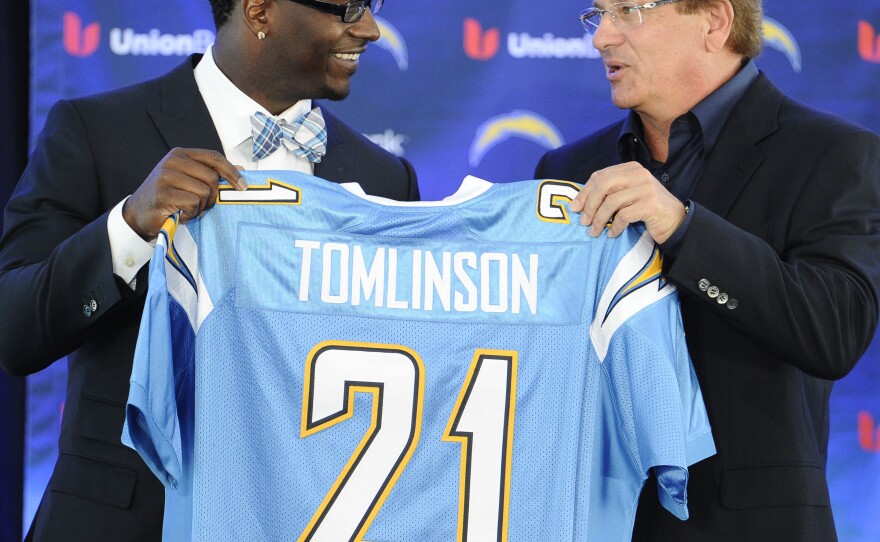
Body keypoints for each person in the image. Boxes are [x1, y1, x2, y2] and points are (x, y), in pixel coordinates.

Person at [0, 0, 418, 539]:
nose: (371, 30)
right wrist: (131, 226)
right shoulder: (96, 129)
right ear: (260, 11)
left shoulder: (387, 180)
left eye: (373, 6)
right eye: (348, 8)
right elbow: (14, 329)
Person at [535, 0, 880, 540]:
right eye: (596, 14)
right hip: (595, 522)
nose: (601, 36)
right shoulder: (566, 171)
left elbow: (833, 330)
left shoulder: (835, 155)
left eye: (626, 10)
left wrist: (683, 227)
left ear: (715, 22)